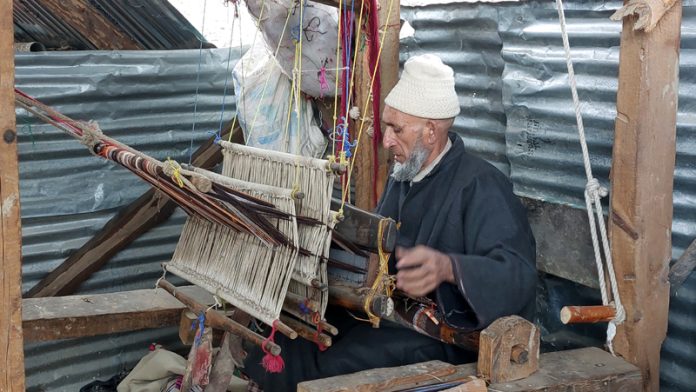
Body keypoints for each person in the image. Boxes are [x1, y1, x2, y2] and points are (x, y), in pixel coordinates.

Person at [243, 53, 537, 392]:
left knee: (338, 362)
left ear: (431, 130)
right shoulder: (404, 178)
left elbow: (519, 274)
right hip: (390, 316)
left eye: (397, 129)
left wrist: (450, 268)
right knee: (294, 339)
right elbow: (378, 251)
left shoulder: (482, 185)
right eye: (386, 127)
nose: (386, 141)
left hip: (446, 339)